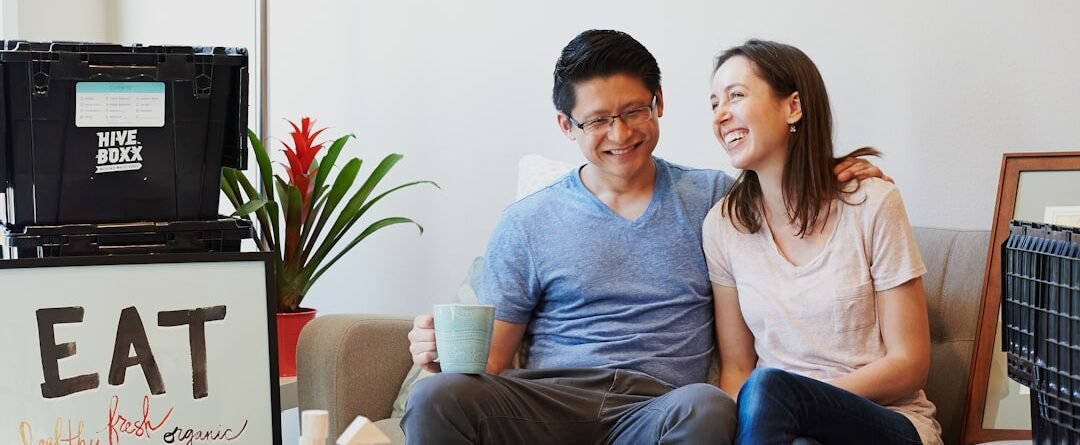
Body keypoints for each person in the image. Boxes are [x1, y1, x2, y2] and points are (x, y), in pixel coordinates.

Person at [403, 30, 884, 445]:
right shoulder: (527, 221)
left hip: (659, 410)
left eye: (634, 110)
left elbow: (785, 196)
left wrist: (831, 175)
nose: (620, 132)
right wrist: (436, 357)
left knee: (708, 407)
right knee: (435, 396)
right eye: (596, 120)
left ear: (659, 103)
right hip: (550, 406)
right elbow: (491, 361)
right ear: (566, 126)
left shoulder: (716, 200)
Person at [702, 39, 940, 445]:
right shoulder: (723, 226)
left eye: (736, 96)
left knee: (769, 388)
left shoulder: (871, 202)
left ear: (793, 106)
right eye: (713, 104)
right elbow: (737, 370)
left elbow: (910, 363)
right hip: (785, 430)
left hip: (888, 422)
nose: (721, 114)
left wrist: (803, 402)